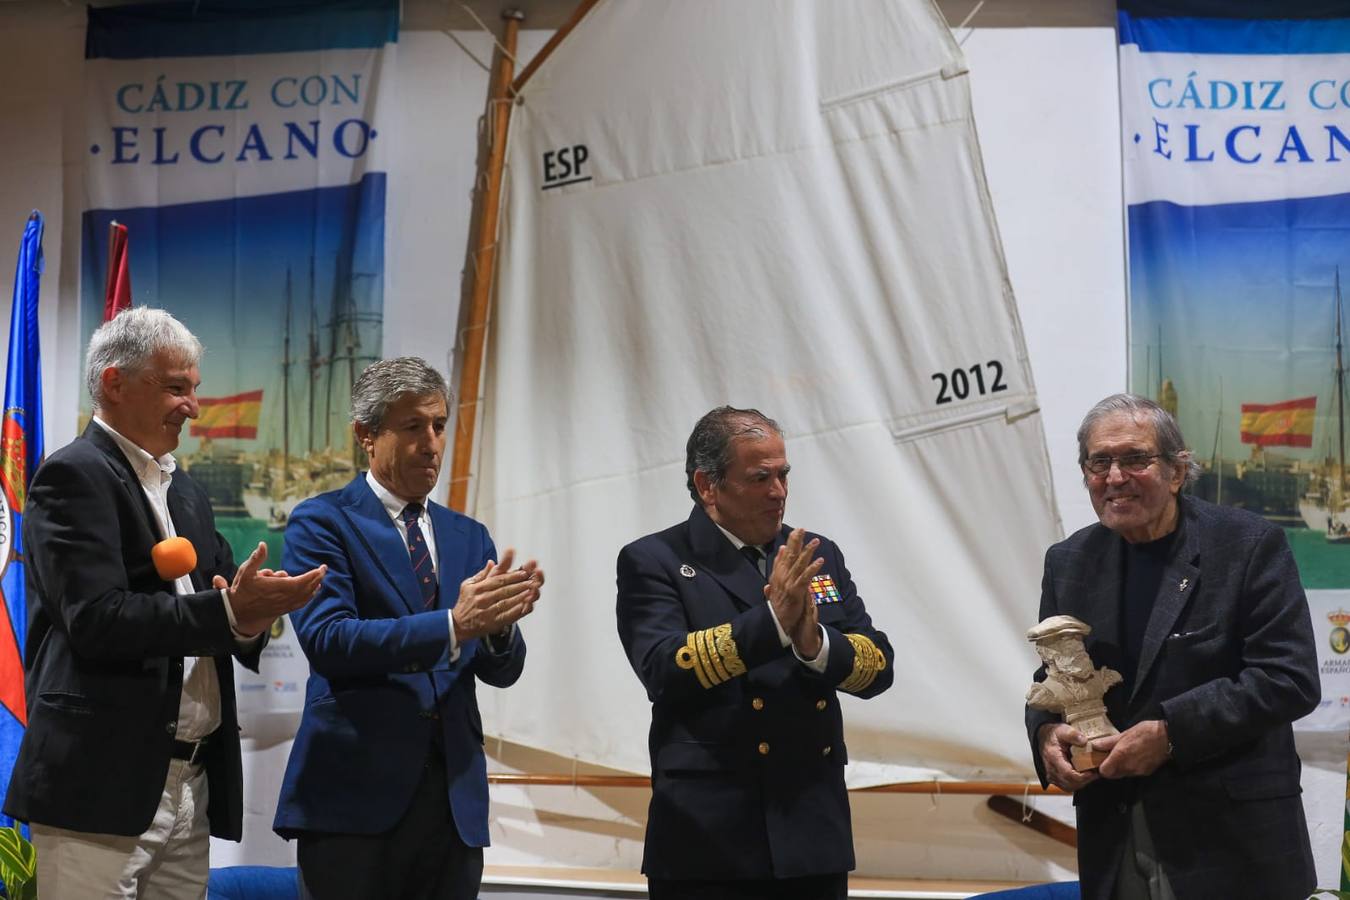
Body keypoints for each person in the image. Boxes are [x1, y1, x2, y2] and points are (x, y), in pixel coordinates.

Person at [5, 307, 326, 898]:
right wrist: (229, 613)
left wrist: (255, 614)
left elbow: (226, 604)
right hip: (99, 783)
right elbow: (96, 619)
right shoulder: (71, 476)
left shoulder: (189, 493)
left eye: (194, 388)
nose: (193, 407)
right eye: (177, 387)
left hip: (191, 783)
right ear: (114, 382)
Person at [1027, 393, 1319, 900]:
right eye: (1099, 462)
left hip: (1233, 845)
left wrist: (1170, 734)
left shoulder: (1248, 545)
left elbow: (1288, 678)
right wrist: (1046, 735)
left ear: (1177, 471)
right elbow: (1052, 676)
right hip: (1113, 836)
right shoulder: (1068, 561)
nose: (1114, 477)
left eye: (1135, 459)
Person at [274, 356, 543, 900]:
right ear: (366, 436)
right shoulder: (322, 521)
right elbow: (329, 640)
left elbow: (502, 672)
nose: (432, 444)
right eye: (413, 426)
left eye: (439, 425)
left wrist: (497, 628)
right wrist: (454, 624)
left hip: (453, 804)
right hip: (354, 801)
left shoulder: (470, 536)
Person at [616, 405, 893, 900]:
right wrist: (773, 623)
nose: (779, 491)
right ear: (708, 486)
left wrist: (814, 644)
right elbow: (663, 668)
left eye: (784, 475)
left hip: (811, 828)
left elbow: (878, 667)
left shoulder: (815, 553)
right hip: (711, 836)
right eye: (760, 478)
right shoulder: (656, 559)